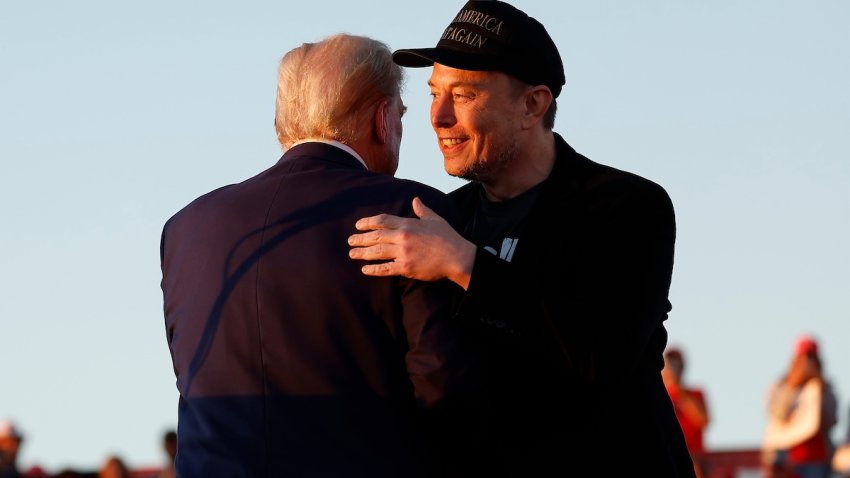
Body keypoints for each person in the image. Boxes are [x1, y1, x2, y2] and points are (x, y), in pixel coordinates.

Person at [347, 1, 694, 475]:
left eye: (464, 95)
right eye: (433, 94)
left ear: (534, 104)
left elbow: (603, 352)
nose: (439, 117)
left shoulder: (627, 206)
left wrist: (464, 265)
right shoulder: (443, 217)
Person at [160, 33, 483, 478]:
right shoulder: (413, 213)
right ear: (381, 118)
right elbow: (442, 384)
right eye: (403, 114)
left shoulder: (185, 228)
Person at [762, 335, 837, 478]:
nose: (807, 364)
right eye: (803, 359)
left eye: (811, 358)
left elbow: (831, 421)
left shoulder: (825, 389)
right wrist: (792, 386)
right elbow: (777, 415)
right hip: (785, 457)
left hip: (816, 459)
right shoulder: (778, 386)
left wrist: (819, 392)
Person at [663, 347, 711, 478]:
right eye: (670, 363)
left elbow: (703, 420)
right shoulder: (661, 396)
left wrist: (680, 391)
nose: (673, 367)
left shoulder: (696, 394)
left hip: (695, 458)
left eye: (676, 363)